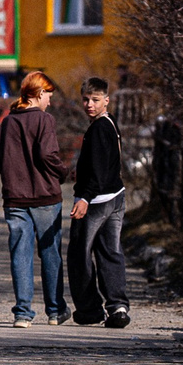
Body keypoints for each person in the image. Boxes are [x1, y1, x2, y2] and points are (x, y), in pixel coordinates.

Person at [0, 70, 71, 327]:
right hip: (45, 195)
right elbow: (47, 154)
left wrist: (12, 179)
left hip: (15, 197)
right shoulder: (44, 120)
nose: (49, 99)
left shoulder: (8, 122)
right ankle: (55, 311)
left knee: (20, 254)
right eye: (48, 94)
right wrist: (64, 172)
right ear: (38, 94)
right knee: (50, 253)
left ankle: (23, 313)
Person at [65, 77, 131, 328]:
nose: (89, 104)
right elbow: (104, 163)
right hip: (116, 196)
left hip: (96, 202)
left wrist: (84, 197)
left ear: (106, 100)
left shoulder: (99, 128)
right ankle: (118, 307)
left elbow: (100, 168)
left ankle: (90, 309)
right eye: (85, 99)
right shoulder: (110, 123)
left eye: (94, 100)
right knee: (110, 252)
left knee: (79, 255)